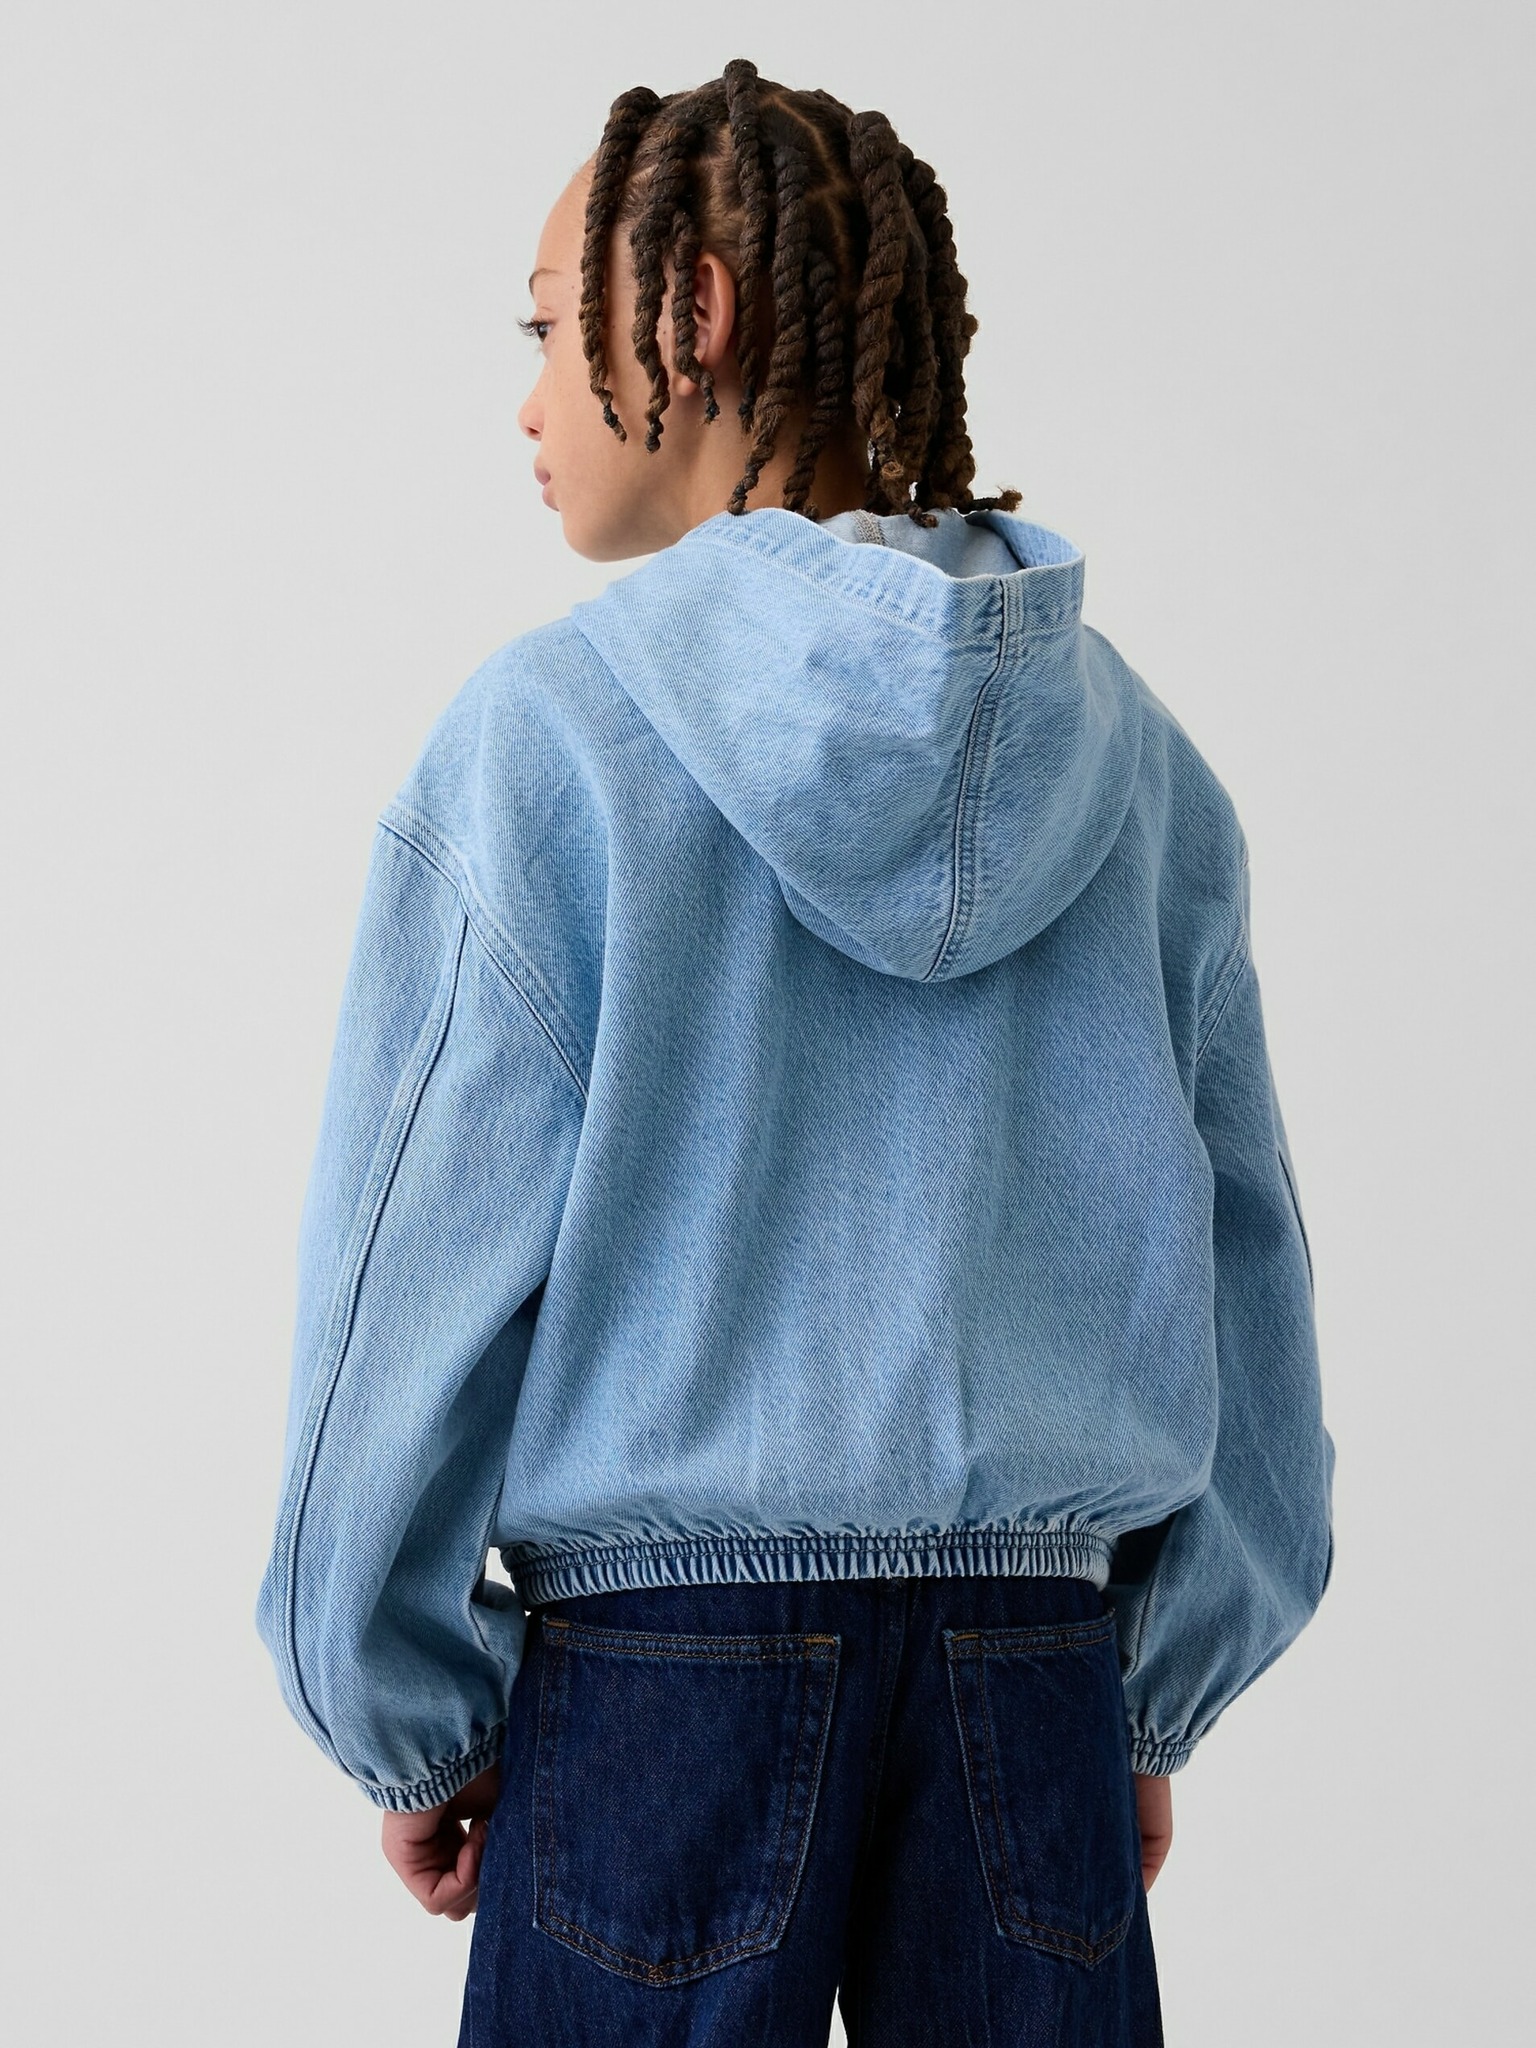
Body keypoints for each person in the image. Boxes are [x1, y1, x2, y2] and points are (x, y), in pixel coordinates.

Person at [254, 58, 1336, 2048]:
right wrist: (1143, 1693)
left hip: (655, 1687)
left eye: (542, 330)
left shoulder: (549, 746)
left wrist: (402, 1705)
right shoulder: (1141, 774)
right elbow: (1250, 1279)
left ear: (693, 315)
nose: (524, 402)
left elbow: (404, 1287)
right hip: (1030, 1680)